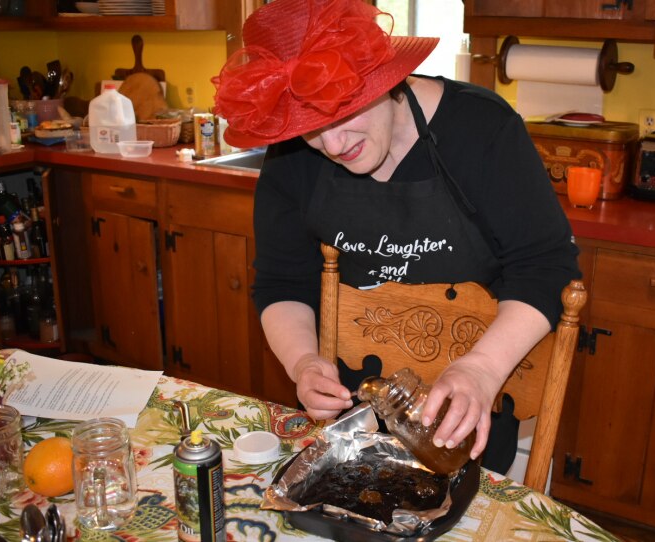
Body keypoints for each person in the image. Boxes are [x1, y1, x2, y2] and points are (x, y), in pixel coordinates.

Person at [213, 0, 580, 474]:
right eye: (309, 130)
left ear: (384, 80)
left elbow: (546, 268)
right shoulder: (291, 158)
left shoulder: (482, 130)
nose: (333, 146)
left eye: (342, 114)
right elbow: (283, 283)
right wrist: (303, 361)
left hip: (465, 424)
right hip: (350, 430)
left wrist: (481, 370)